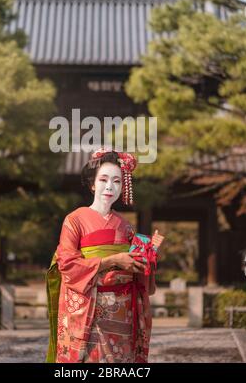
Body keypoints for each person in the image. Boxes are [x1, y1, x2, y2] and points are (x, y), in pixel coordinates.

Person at [46, 148, 162, 363]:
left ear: (123, 187)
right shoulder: (74, 220)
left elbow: (138, 273)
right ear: (92, 184)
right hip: (88, 307)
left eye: (117, 181)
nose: (110, 186)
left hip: (122, 310)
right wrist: (113, 260)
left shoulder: (125, 226)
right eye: (104, 179)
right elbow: (67, 265)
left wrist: (148, 257)